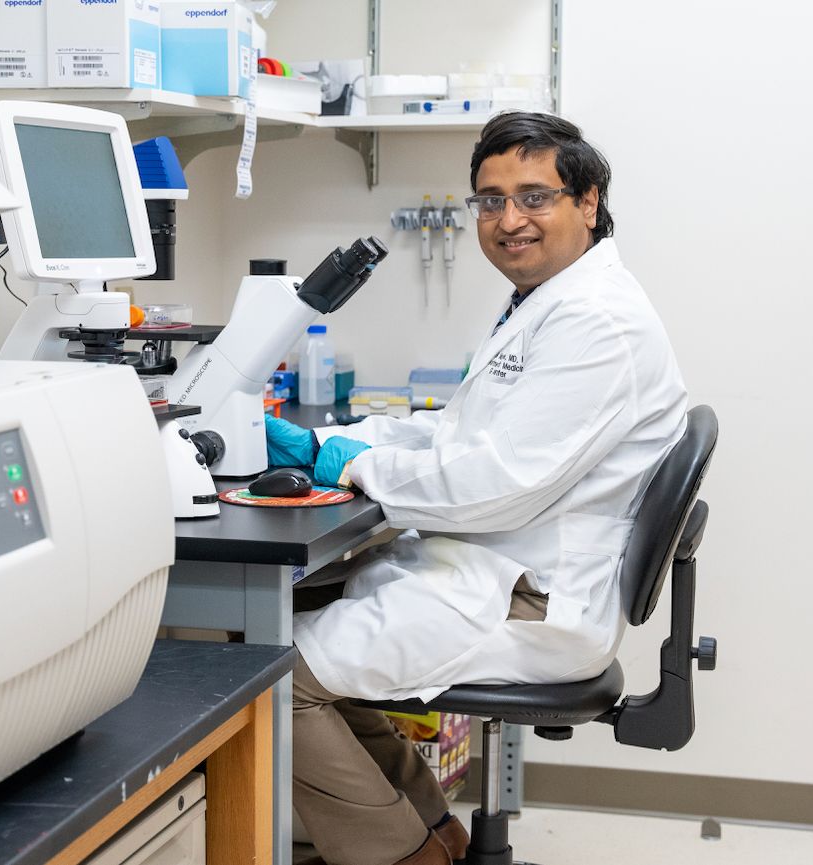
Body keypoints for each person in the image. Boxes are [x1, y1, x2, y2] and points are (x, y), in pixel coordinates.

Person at [265, 112, 688, 865]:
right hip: (497, 569)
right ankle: (435, 836)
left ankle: (403, 855)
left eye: (533, 196)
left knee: (267, 679)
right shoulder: (550, 302)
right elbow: (473, 438)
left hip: (523, 599)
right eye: (489, 201)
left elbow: (499, 482)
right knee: (298, 634)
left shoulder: (598, 322)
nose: (507, 220)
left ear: (587, 201)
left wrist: (354, 468)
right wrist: (345, 443)